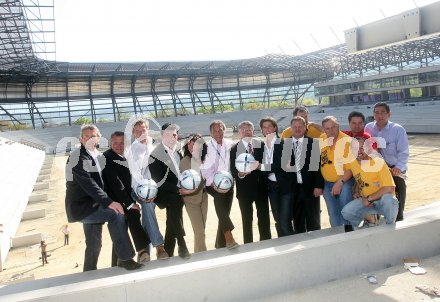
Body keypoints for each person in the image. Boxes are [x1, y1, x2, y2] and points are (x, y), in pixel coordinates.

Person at [65, 124, 142, 271]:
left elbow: (108, 183)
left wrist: (125, 202)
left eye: (93, 136)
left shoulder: (99, 156)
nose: (90, 139)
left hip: (95, 205)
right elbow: (88, 184)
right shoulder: (77, 156)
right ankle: (125, 259)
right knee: (116, 215)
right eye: (86, 136)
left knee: (94, 244)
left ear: (98, 138)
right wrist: (110, 203)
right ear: (81, 139)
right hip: (84, 207)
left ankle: (89, 272)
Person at [102, 131, 151, 264]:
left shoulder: (126, 156)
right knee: (132, 215)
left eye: (122, 143)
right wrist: (130, 204)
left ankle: (117, 262)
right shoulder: (106, 157)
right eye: (115, 143)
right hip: (114, 200)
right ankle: (142, 251)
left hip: (125, 197)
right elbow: (116, 183)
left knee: (120, 232)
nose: (119, 145)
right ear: (109, 143)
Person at [126, 118, 169, 260]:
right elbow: (136, 175)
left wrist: (155, 188)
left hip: (154, 188)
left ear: (147, 130)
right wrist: (147, 191)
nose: (140, 133)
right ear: (133, 133)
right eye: (137, 131)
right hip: (138, 188)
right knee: (148, 204)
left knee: (147, 213)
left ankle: (144, 252)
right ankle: (159, 246)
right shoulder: (131, 151)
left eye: (143, 130)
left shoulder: (154, 146)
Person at [148, 123, 191, 259]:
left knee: (172, 219)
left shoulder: (177, 152)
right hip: (164, 192)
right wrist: (179, 190)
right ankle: (182, 243)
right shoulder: (155, 154)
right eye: (168, 134)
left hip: (177, 191)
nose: (173, 137)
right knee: (175, 203)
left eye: (175, 134)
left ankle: (169, 250)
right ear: (162, 136)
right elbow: (159, 181)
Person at [341, 136, 399, 228]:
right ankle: (370, 217)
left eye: (361, 148)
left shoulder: (378, 162)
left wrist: (369, 199)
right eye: (355, 148)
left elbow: (389, 187)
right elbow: (358, 178)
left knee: (389, 200)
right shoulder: (352, 163)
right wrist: (356, 191)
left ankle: (389, 225)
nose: (359, 151)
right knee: (346, 212)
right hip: (367, 202)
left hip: (381, 200)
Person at [365, 102, 409, 222]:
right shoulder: (368, 127)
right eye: (377, 112)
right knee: (376, 196)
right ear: (373, 115)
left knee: (397, 195)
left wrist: (398, 168)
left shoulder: (398, 130)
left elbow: (403, 152)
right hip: (377, 170)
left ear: (389, 114)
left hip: (395, 169)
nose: (380, 115)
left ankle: (399, 218)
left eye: (383, 112)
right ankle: (375, 220)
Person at [230, 121, 271, 244]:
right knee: (247, 220)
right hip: (244, 191)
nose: (246, 132)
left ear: (253, 131)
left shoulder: (261, 145)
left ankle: (266, 242)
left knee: (264, 218)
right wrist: (240, 174)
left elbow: (268, 165)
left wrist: (259, 167)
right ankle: (248, 244)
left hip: (261, 188)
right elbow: (233, 170)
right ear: (239, 132)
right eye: (243, 129)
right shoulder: (234, 149)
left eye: (249, 129)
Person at [201, 120, 239, 249]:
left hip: (228, 182)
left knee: (224, 213)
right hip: (212, 183)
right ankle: (229, 237)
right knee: (218, 200)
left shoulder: (231, 144)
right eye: (215, 131)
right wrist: (214, 185)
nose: (218, 133)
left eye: (220, 129)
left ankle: (219, 244)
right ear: (211, 133)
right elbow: (205, 170)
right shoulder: (206, 147)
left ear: (224, 130)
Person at [289, 116, 324, 233]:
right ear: (291, 128)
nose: (297, 129)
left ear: (305, 128)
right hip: (293, 189)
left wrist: (318, 186)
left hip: (311, 188)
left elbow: (318, 167)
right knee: (297, 219)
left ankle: (316, 244)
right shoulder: (284, 145)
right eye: (295, 127)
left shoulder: (313, 143)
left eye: (300, 126)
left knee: (313, 219)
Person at [319, 116, 355, 231]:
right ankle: (337, 240)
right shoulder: (322, 138)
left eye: (333, 127)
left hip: (345, 182)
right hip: (327, 183)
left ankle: (349, 237)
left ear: (338, 126)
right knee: (333, 216)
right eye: (328, 128)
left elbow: (351, 168)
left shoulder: (348, 142)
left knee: (345, 212)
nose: (331, 130)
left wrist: (340, 183)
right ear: (324, 130)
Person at [179, 133, 208, 253]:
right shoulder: (185, 161)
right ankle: (202, 254)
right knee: (199, 231)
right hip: (191, 200)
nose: (192, 147)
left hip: (204, 197)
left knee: (201, 230)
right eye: (190, 145)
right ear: (187, 146)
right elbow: (190, 183)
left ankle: (198, 252)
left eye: (195, 144)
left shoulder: (205, 159)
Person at [259, 117, 282, 237]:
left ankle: (291, 242)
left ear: (275, 128)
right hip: (271, 186)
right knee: (277, 217)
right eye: (264, 127)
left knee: (286, 218)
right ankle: (282, 242)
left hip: (284, 186)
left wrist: (261, 167)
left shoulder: (283, 143)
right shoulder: (261, 145)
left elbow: (280, 166)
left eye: (269, 126)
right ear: (262, 130)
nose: (267, 129)